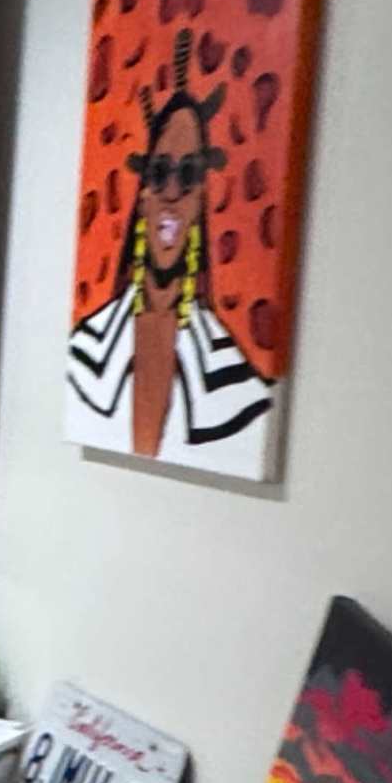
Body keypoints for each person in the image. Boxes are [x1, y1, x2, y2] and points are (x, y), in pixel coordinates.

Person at [64, 27, 275, 464]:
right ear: (142, 194)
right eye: (160, 173)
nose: (172, 191)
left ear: (201, 196)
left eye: (189, 174)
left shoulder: (237, 388)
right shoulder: (85, 352)